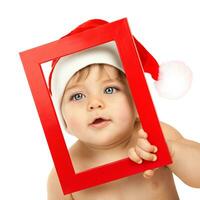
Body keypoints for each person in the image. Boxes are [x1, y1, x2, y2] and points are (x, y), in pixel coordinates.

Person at [47, 20, 200, 200]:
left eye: (110, 89)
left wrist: (172, 151)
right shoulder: (63, 173)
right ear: (63, 118)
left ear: (137, 103)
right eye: (78, 96)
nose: (95, 103)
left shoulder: (155, 135)